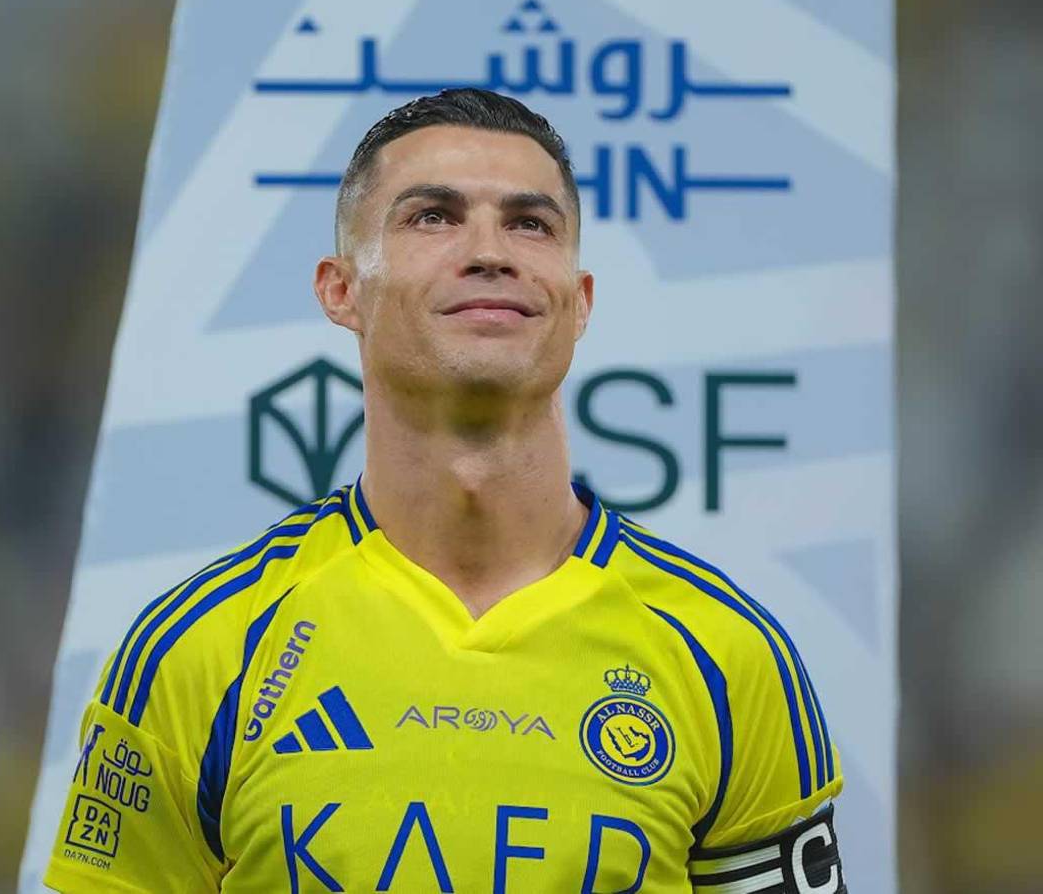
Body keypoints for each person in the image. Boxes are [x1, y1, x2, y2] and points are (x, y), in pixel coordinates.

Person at [44, 88, 846, 893]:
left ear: (581, 302)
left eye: (531, 224)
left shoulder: (729, 656)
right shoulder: (201, 649)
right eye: (433, 216)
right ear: (340, 290)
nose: (490, 251)